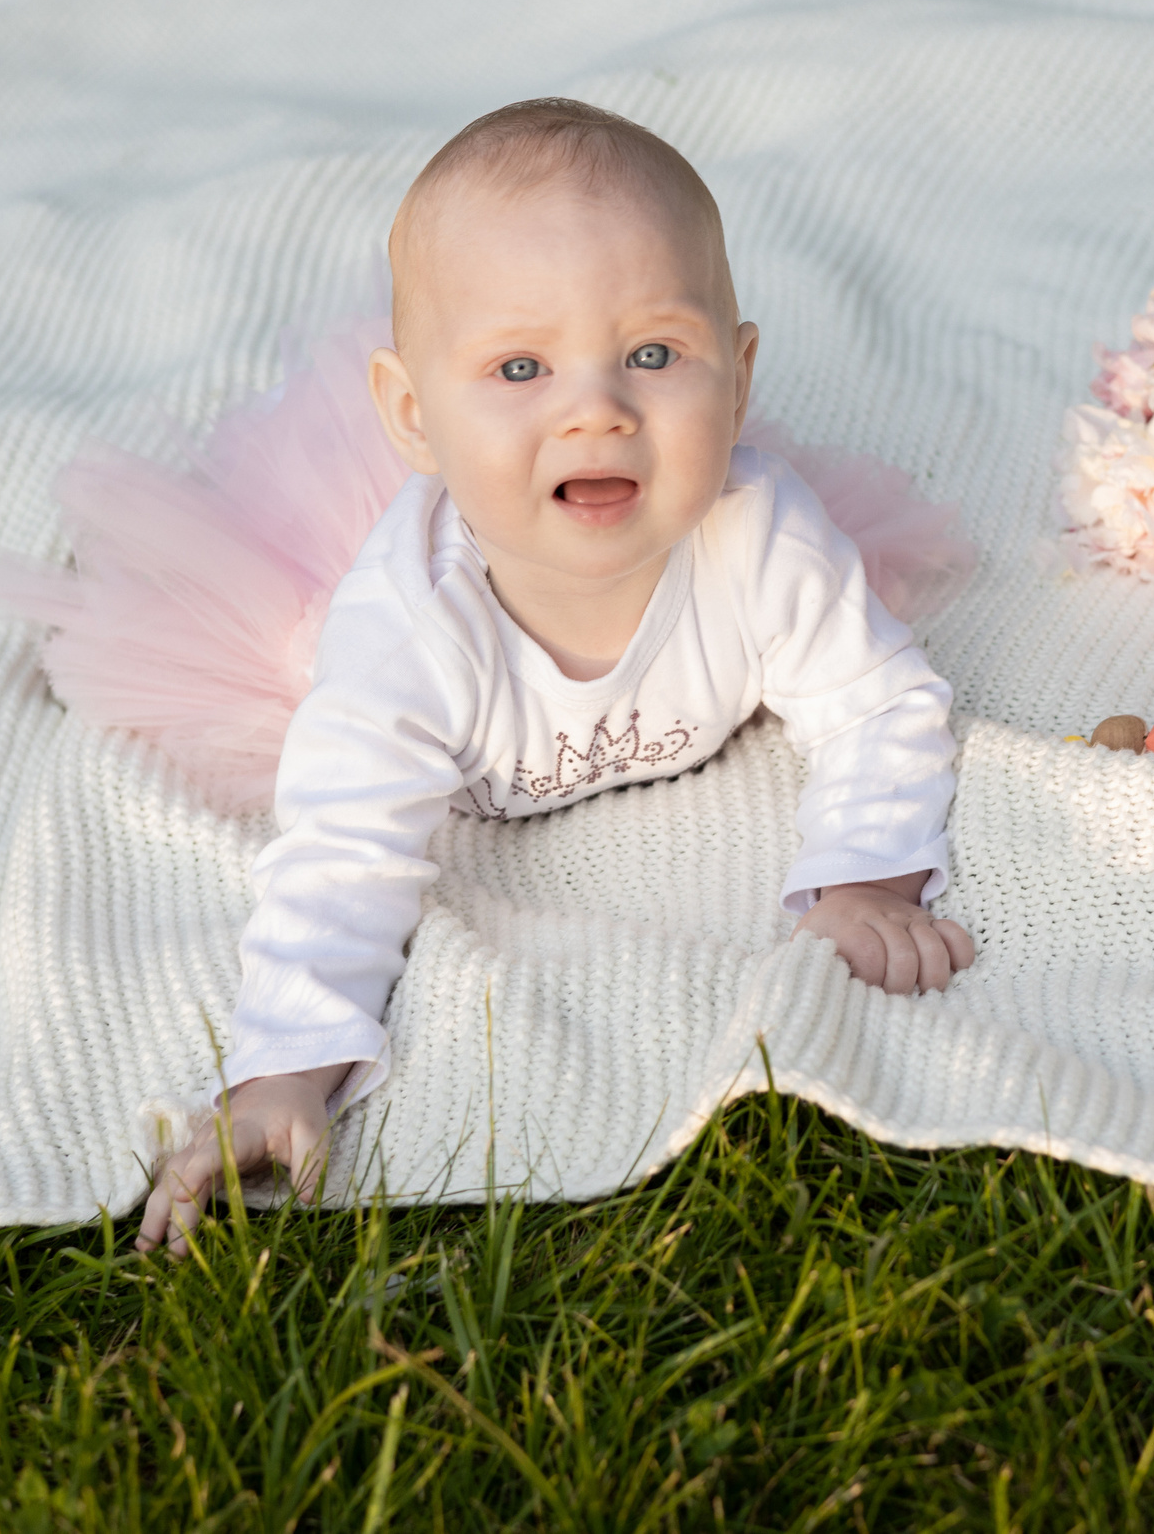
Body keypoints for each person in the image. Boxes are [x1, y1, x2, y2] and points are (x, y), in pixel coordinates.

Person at [138, 99, 973, 1254]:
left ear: (734, 378)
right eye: (520, 367)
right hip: (388, 628)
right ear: (414, 416)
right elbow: (342, 858)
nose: (596, 409)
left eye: (653, 355)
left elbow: (881, 703)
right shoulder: (408, 636)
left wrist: (867, 878)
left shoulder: (761, 536)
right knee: (293, 680)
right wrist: (284, 1071)